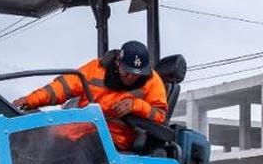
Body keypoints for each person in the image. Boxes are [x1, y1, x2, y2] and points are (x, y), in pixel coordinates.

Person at [14, 40, 168, 152]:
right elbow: (64, 86)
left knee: (85, 147)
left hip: (114, 137)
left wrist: (136, 106)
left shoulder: (152, 82)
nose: (130, 78)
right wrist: (31, 100)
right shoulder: (95, 69)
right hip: (80, 129)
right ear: (117, 63)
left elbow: (160, 115)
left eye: (136, 74)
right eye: (127, 72)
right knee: (47, 144)